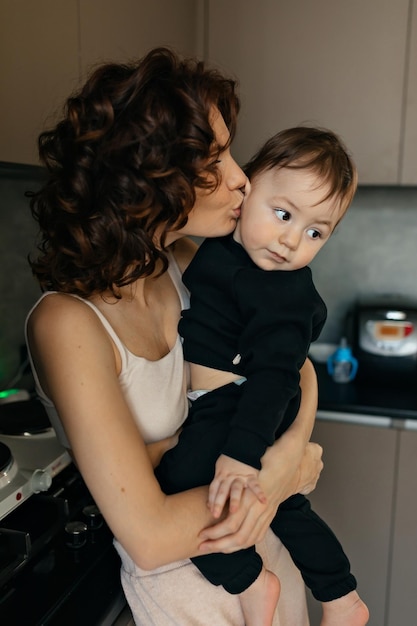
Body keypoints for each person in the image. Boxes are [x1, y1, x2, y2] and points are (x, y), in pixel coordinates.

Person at [24, 47, 324, 625]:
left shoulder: (191, 264)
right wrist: (282, 473)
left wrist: (292, 445)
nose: (242, 179)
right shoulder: (67, 322)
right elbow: (153, 536)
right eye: (216, 160)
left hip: (265, 551)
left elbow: (294, 363)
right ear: (150, 176)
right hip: (190, 586)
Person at [155, 126, 369, 626]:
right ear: (248, 189)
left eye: (316, 232)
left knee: (181, 481)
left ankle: (251, 582)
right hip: (240, 400)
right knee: (287, 507)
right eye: (283, 214)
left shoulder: (282, 292)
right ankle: (341, 599)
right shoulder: (222, 245)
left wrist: (240, 454)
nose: (291, 240)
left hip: (245, 404)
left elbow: (279, 374)